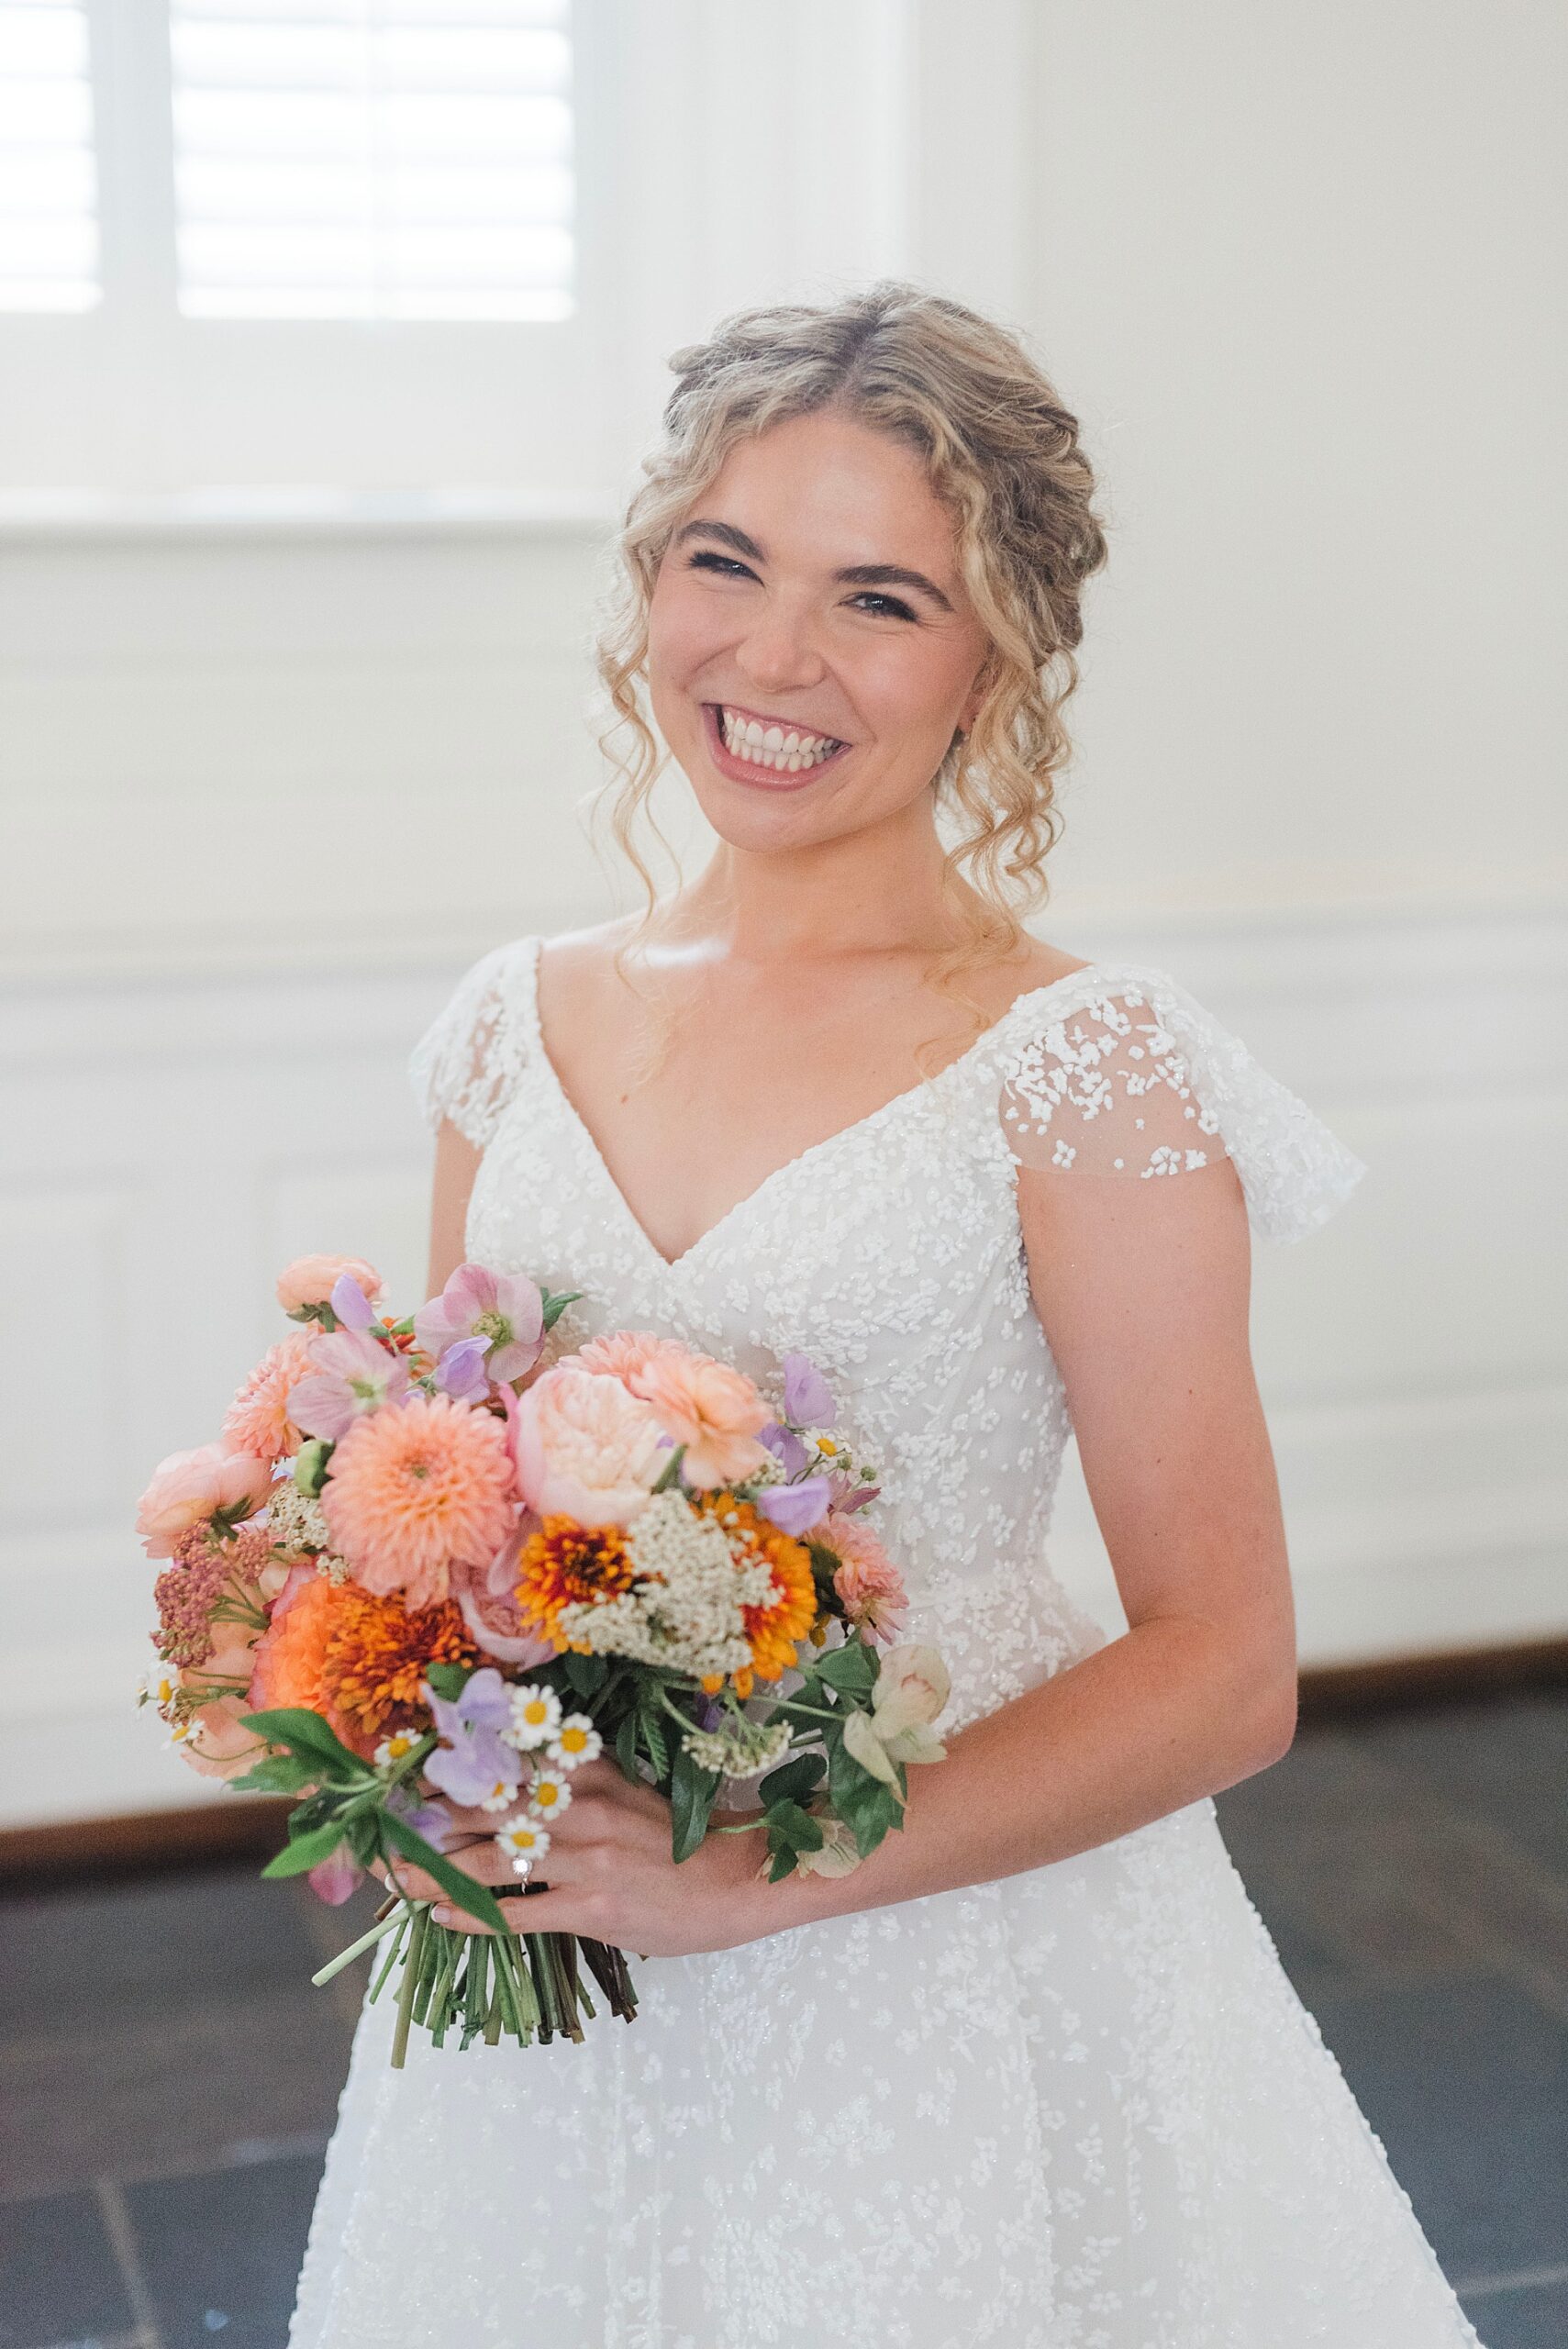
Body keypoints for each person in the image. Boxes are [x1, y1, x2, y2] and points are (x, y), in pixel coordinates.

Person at [289, 284, 1485, 2347]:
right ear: (652, 577)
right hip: (563, 1930)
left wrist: (746, 1873)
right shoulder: (514, 1020)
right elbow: (457, 1481)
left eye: (879, 599)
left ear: (993, 660)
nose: (773, 657)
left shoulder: (1080, 1067)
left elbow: (1226, 1667)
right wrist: (406, 1737)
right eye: (724, 562)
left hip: (942, 1937)